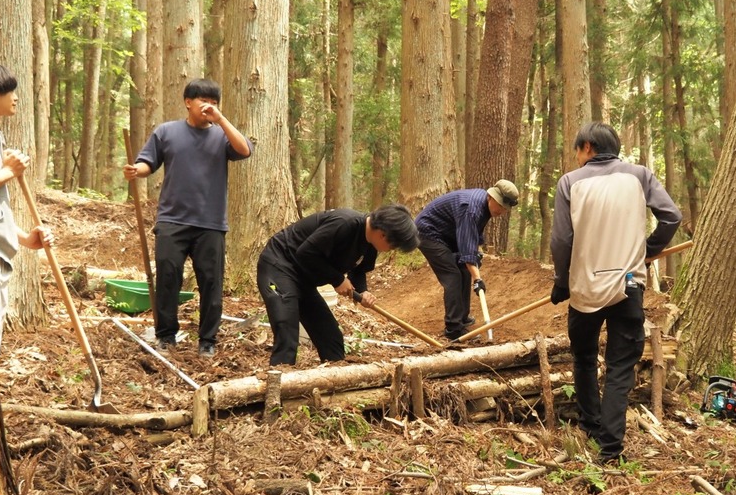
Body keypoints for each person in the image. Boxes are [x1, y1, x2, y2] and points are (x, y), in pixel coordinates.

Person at [550, 122, 681, 464]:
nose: (577, 158)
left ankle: (590, 427)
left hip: (584, 287)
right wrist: (649, 249)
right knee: (621, 365)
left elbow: (562, 240)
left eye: (578, 150)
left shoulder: (569, 183)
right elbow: (671, 217)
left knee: (584, 358)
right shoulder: (638, 175)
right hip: (628, 285)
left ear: (588, 147)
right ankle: (609, 449)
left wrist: (562, 281)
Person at [123, 78, 253, 357]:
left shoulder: (222, 136)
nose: (209, 106)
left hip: (211, 223)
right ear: (188, 102)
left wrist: (222, 120)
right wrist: (138, 170)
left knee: (211, 282)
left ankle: (208, 340)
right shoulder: (166, 132)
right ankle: (166, 336)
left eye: (214, 102)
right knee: (168, 277)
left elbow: (244, 150)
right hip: (172, 220)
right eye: (203, 100)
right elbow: (149, 162)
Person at [257, 204, 419, 366]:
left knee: (330, 336)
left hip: (304, 279)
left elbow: (358, 270)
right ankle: (279, 383)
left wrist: (363, 292)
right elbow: (306, 253)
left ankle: (335, 379)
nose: (392, 250)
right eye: (394, 246)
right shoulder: (344, 223)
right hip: (278, 266)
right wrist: (337, 280)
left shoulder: (371, 244)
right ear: (383, 235)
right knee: (287, 329)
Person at [0, 65, 54, 356]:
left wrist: (26, 239)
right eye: (9, 90)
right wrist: (5, 172)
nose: (15, 98)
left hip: (0, 255)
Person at [414, 179, 519, 340]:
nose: (502, 211)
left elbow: (472, 239)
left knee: (464, 267)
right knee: (452, 275)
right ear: (491, 197)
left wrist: (476, 256)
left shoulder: (485, 206)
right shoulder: (472, 209)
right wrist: (478, 279)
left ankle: (462, 318)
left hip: (447, 234)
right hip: (428, 233)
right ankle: (454, 329)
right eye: (500, 205)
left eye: (505, 208)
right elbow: (466, 250)